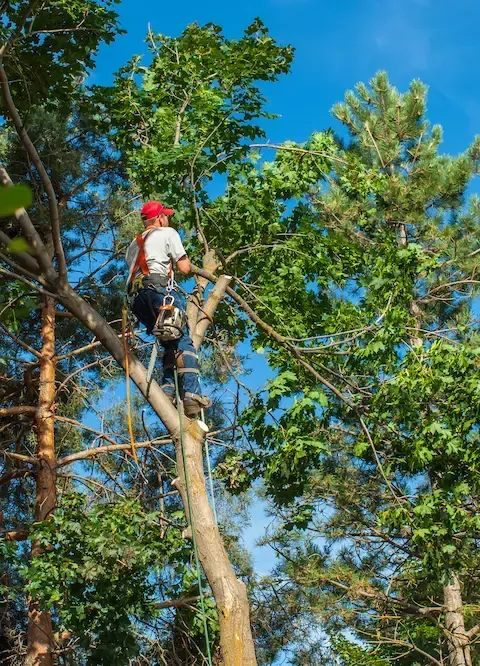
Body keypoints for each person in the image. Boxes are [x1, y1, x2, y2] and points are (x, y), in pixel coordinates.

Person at [125, 200, 211, 417]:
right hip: (159, 290)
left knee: (169, 341)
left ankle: (168, 391)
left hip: (136, 299)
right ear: (160, 218)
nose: (169, 219)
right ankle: (191, 394)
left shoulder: (133, 245)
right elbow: (183, 268)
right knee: (184, 341)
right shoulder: (167, 232)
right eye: (166, 216)